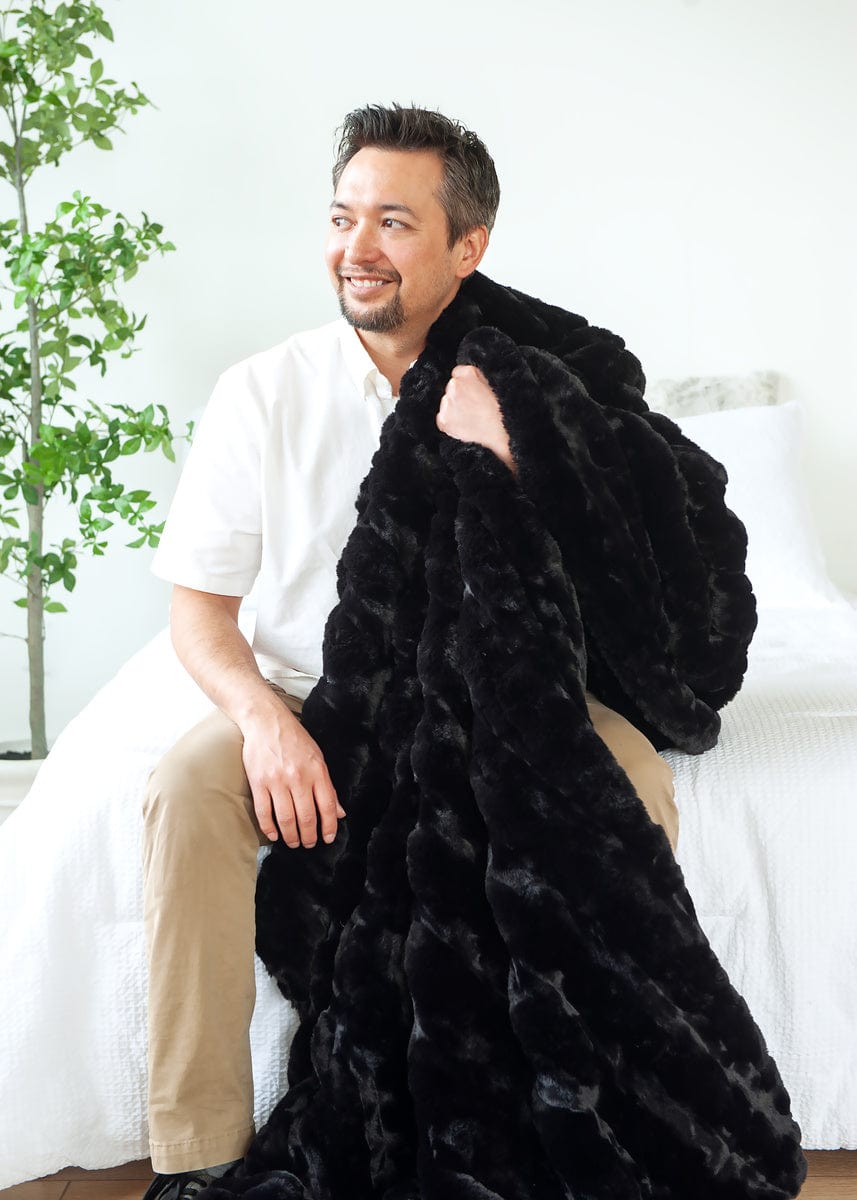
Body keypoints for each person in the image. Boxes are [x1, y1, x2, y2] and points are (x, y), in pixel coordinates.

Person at [141, 103, 679, 1200]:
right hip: (310, 695)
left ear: (466, 247)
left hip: (504, 697)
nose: (356, 249)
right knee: (181, 791)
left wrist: (523, 456)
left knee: (634, 784)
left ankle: (612, 1126)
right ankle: (194, 1158)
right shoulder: (261, 392)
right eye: (342, 218)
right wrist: (262, 722)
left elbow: (635, 580)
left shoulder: (540, 384)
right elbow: (198, 608)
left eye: (393, 222)